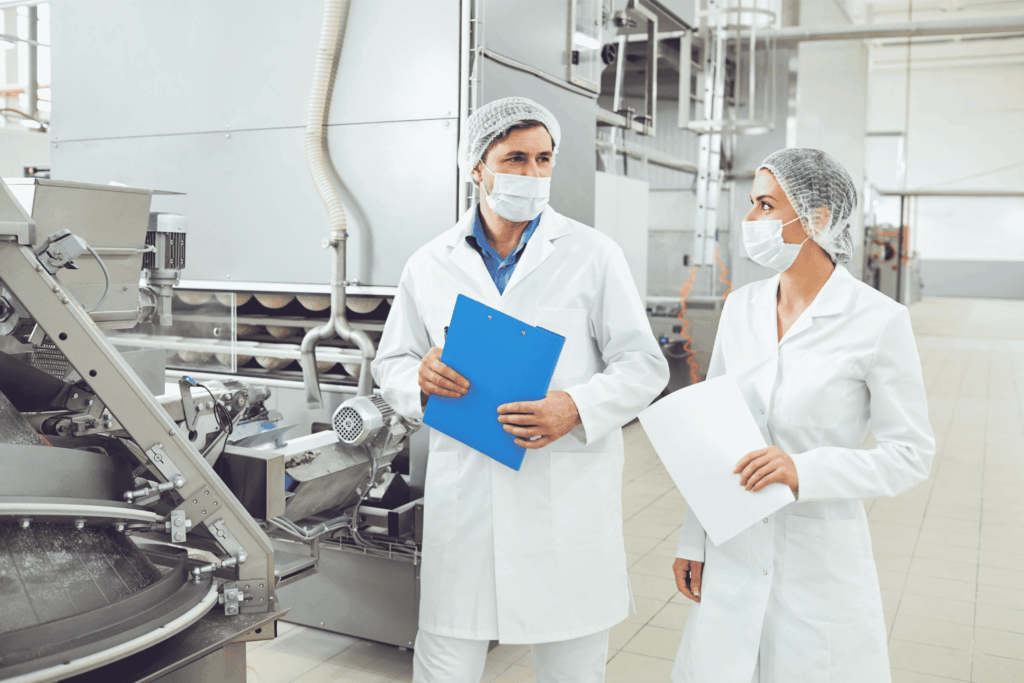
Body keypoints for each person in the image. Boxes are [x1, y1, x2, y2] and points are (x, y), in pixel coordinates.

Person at [372, 96, 669, 683]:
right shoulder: (429, 263)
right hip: (467, 501)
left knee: (571, 669)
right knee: (444, 665)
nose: (532, 175)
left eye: (543, 160)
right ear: (477, 166)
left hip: (563, 496)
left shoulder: (592, 255)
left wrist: (576, 406)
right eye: (515, 159)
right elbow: (392, 363)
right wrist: (418, 382)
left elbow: (643, 365)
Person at [669, 148, 935, 683]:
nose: (750, 221)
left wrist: (803, 471)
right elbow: (710, 429)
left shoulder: (878, 321)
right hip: (732, 541)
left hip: (819, 553)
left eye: (766, 205)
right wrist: (692, 540)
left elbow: (911, 455)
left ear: (817, 218)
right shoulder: (741, 307)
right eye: (751, 204)